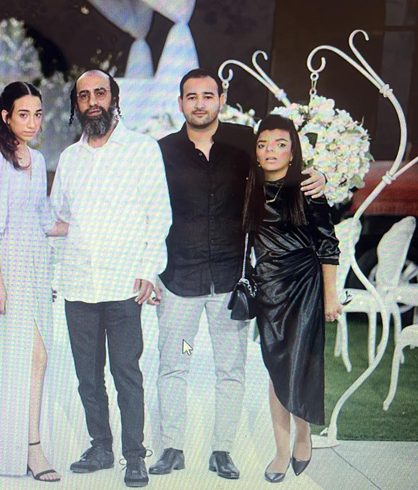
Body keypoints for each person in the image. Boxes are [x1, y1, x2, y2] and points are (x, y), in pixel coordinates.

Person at [150, 69, 326, 481]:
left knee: (229, 369)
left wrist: (316, 175)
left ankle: (222, 450)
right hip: (179, 279)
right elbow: (144, 206)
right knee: (176, 363)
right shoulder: (162, 151)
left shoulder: (245, 142)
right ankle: (172, 447)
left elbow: (283, 163)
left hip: (232, 283)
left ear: (221, 99)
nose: (199, 103)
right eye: (191, 96)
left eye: (207, 95)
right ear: (180, 102)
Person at [50, 69, 172, 488]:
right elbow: (59, 217)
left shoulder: (142, 150)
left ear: (114, 98)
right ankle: (100, 446)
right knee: (88, 376)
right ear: (77, 105)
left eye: (99, 93)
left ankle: (135, 456)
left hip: (124, 286)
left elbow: (160, 215)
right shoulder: (70, 159)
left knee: (126, 374)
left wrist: (149, 270)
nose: (92, 102)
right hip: (79, 284)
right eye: (84, 96)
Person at [243, 114, 341, 483]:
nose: (271, 151)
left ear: (292, 151)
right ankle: (281, 449)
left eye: (280, 144)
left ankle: (303, 433)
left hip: (306, 287)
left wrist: (330, 296)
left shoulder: (308, 189)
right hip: (270, 290)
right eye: (263, 144)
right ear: (256, 152)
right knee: (277, 369)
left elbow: (328, 245)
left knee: (303, 364)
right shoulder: (248, 189)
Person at [0, 81, 67, 483]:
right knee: (26, 358)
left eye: (37, 114)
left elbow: (45, 221)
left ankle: (27, 443)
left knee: (38, 357)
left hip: (35, 270)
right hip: (7, 271)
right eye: (23, 114)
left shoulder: (38, 158)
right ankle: (28, 448)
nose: (32, 122)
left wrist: (91, 224)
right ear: (6, 116)